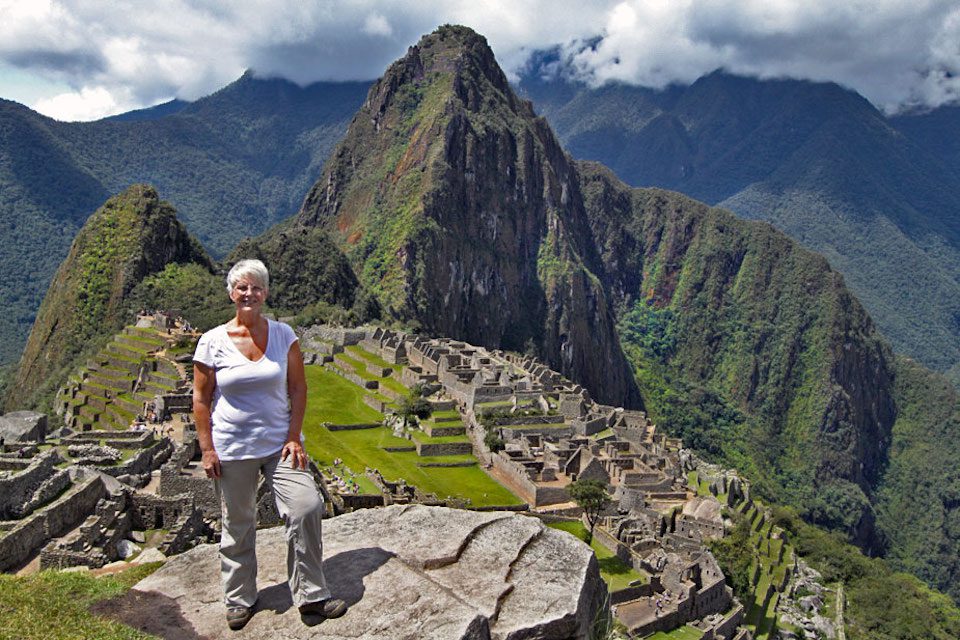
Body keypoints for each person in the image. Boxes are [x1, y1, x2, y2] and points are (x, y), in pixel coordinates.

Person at [193, 259, 346, 631]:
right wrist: (207, 448)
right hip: (232, 448)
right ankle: (239, 598)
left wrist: (294, 435)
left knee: (306, 506)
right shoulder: (211, 342)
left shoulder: (283, 335)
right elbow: (200, 398)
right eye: (242, 288)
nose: (249, 294)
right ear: (231, 293)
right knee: (238, 522)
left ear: (265, 293)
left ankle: (310, 595)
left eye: (256, 287)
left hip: (280, 444)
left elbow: (298, 387)